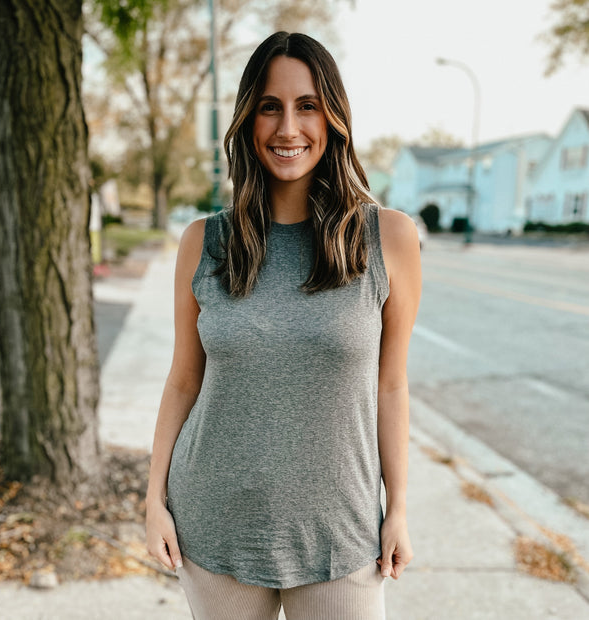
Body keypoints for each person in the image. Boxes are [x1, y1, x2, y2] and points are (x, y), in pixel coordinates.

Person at [145, 31, 421, 620]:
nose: (287, 128)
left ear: (334, 118)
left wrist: (397, 508)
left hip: (340, 535)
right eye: (270, 107)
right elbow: (183, 381)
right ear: (248, 121)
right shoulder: (204, 243)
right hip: (213, 525)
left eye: (308, 105)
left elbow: (391, 384)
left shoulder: (388, 238)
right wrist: (153, 501)